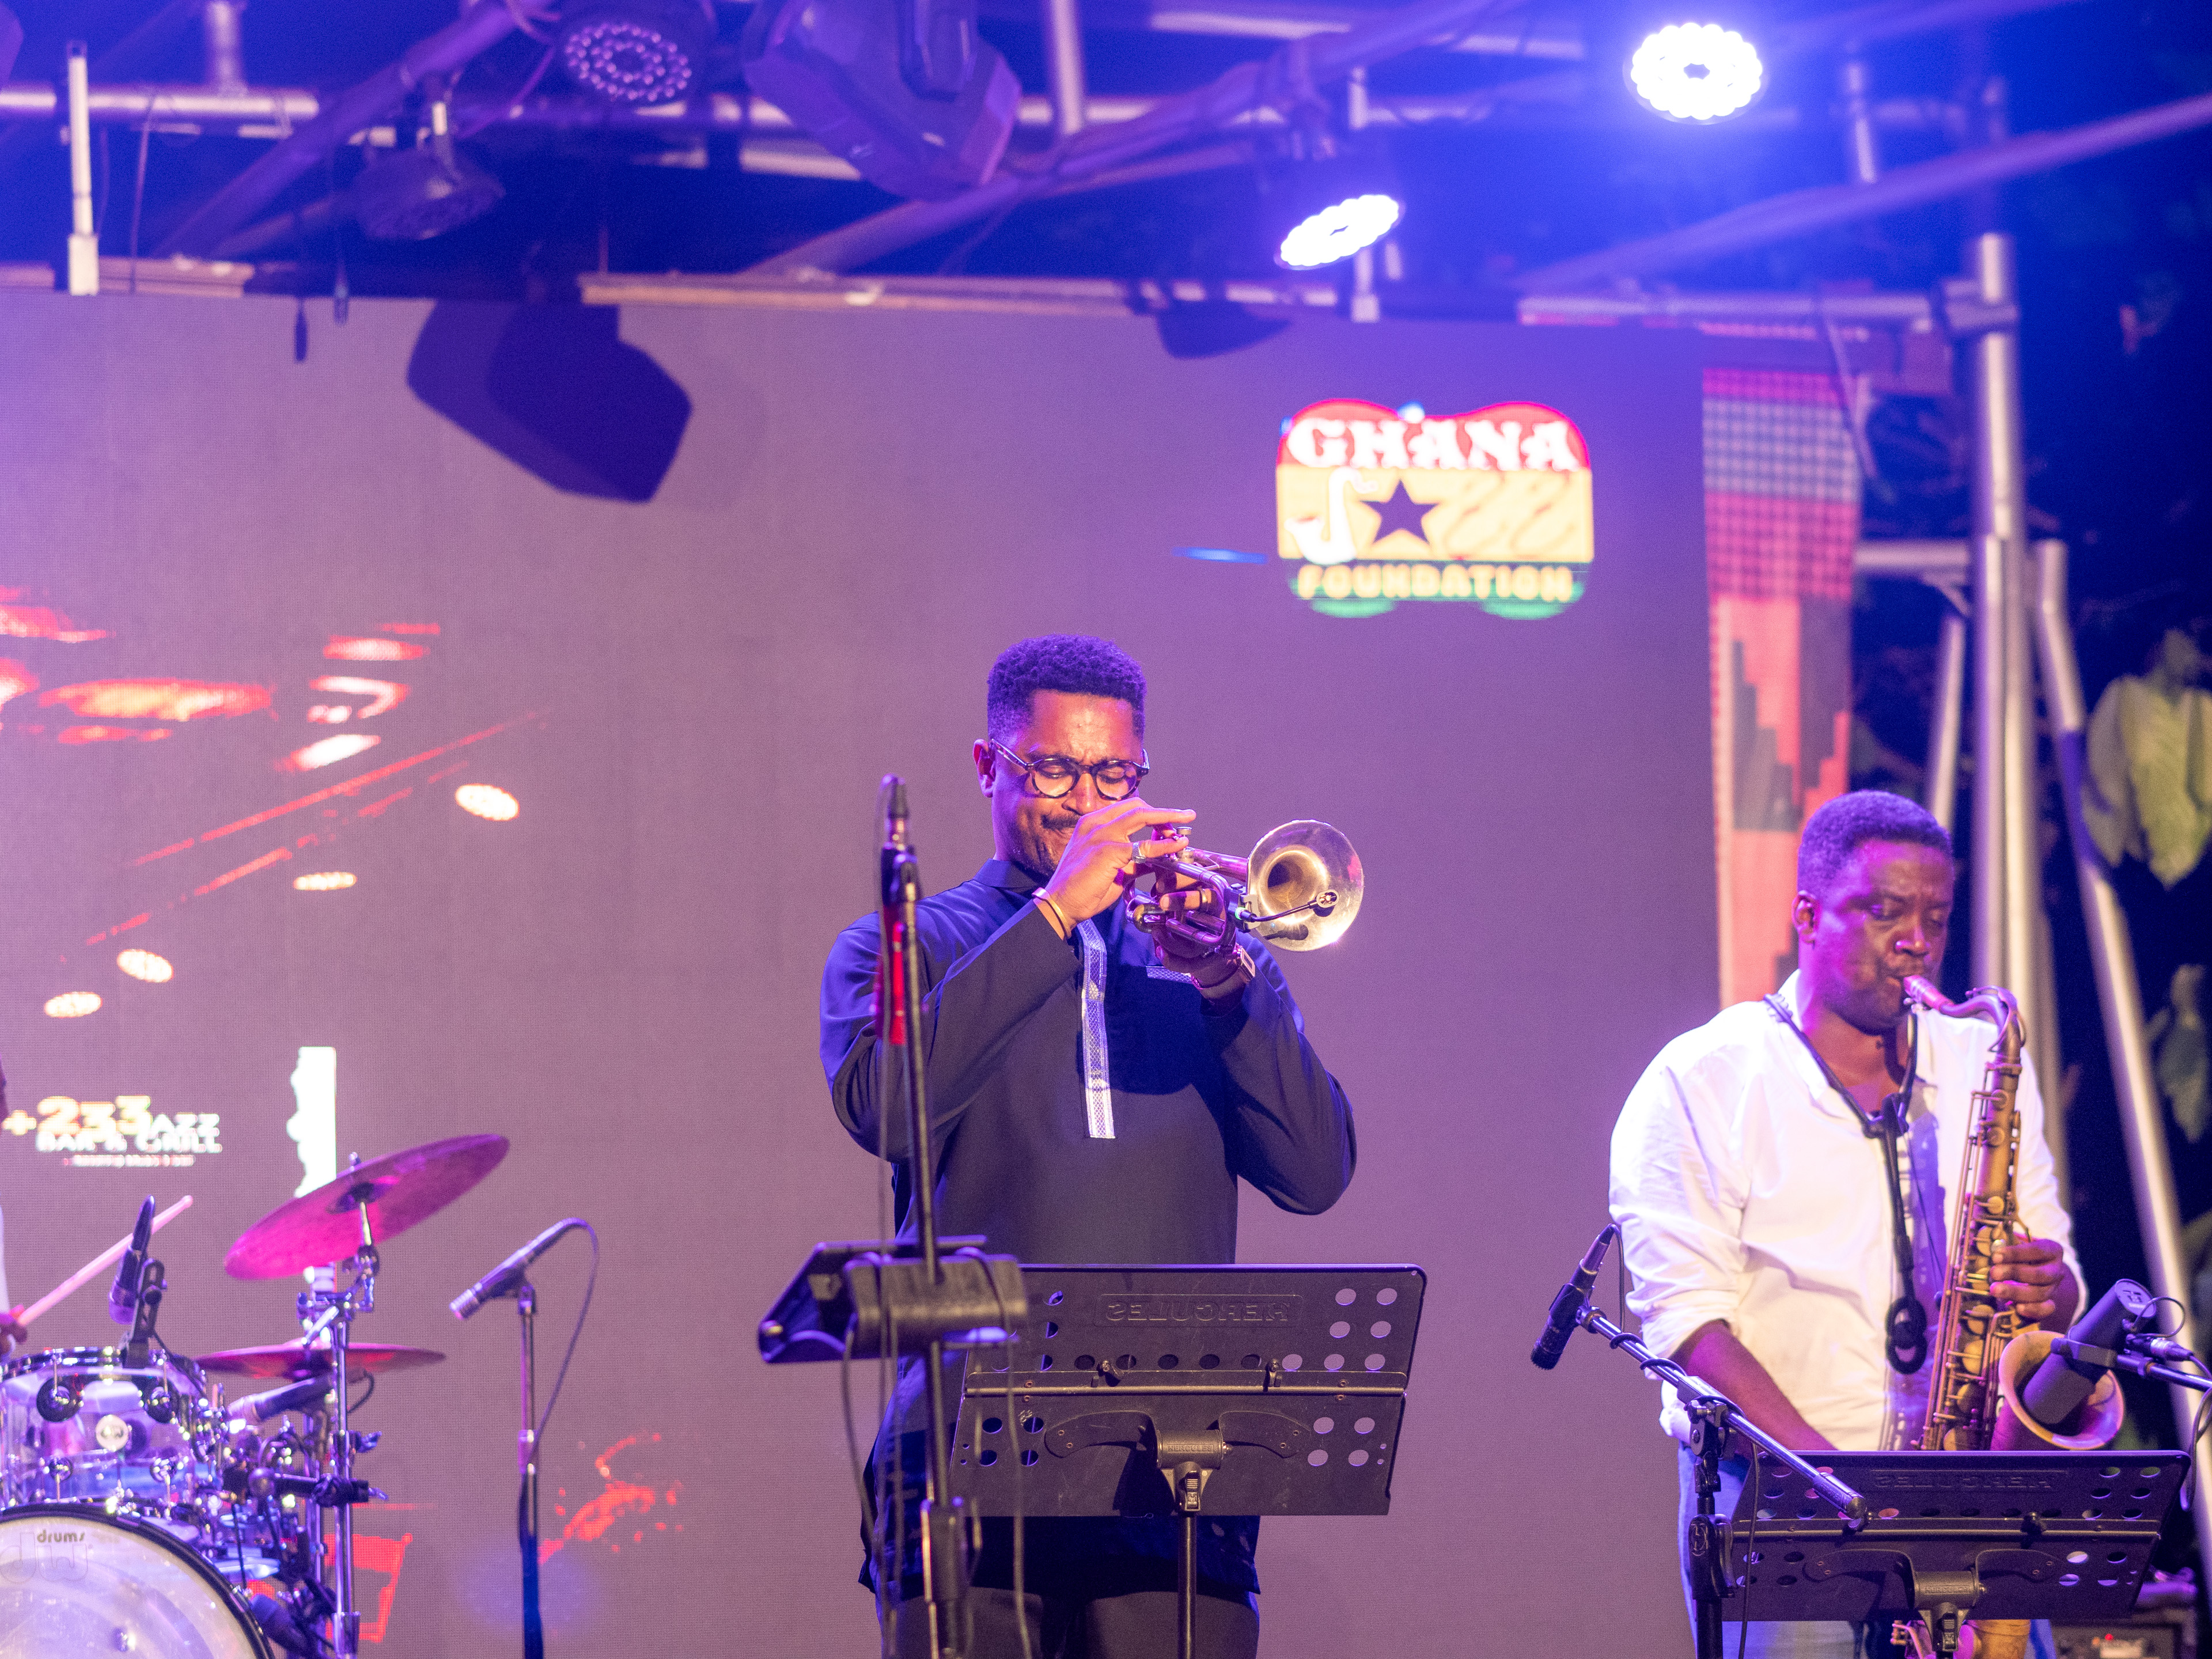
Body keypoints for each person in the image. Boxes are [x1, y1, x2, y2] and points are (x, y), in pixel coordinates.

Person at [820, 634, 1357, 1659]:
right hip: (965, 1456)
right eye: (1055, 771)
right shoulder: (910, 942)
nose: (1088, 803)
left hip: (1181, 1461)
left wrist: (1230, 980)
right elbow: (883, 1108)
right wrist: (1057, 912)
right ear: (988, 767)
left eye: (1115, 775)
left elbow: (1316, 1172)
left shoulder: (1207, 956)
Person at [1609, 790, 2081, 1658]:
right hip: (1784, 1507)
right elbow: (1688, 1331)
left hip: (1972, 1511)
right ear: (1807, 916)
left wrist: (2052, 1290)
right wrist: (1850, 1493)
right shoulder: (1702, 1080)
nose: (1916, 942)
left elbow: (2060, 1293)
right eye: (1885, 913)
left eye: (1935, 918)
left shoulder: (1981, 1058)